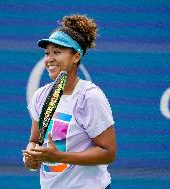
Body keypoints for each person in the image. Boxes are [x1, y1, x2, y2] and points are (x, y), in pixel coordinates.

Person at [22, 14, 116, 189]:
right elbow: (34, 140)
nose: (49, 58)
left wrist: (59, 157)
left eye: (57, 52)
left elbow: (108, 153)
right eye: (47, 53)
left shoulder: (90, 97)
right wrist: (31, 157)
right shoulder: (41, 96)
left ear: (76, 57)